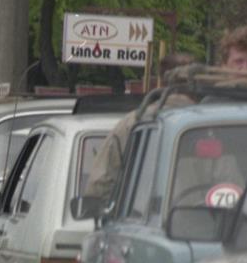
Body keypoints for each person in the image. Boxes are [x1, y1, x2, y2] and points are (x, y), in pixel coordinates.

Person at [81, 53, 196, 203]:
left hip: (139, 213)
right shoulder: (212, 125)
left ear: (162, 80)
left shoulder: (134, 122)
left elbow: (100, 184)